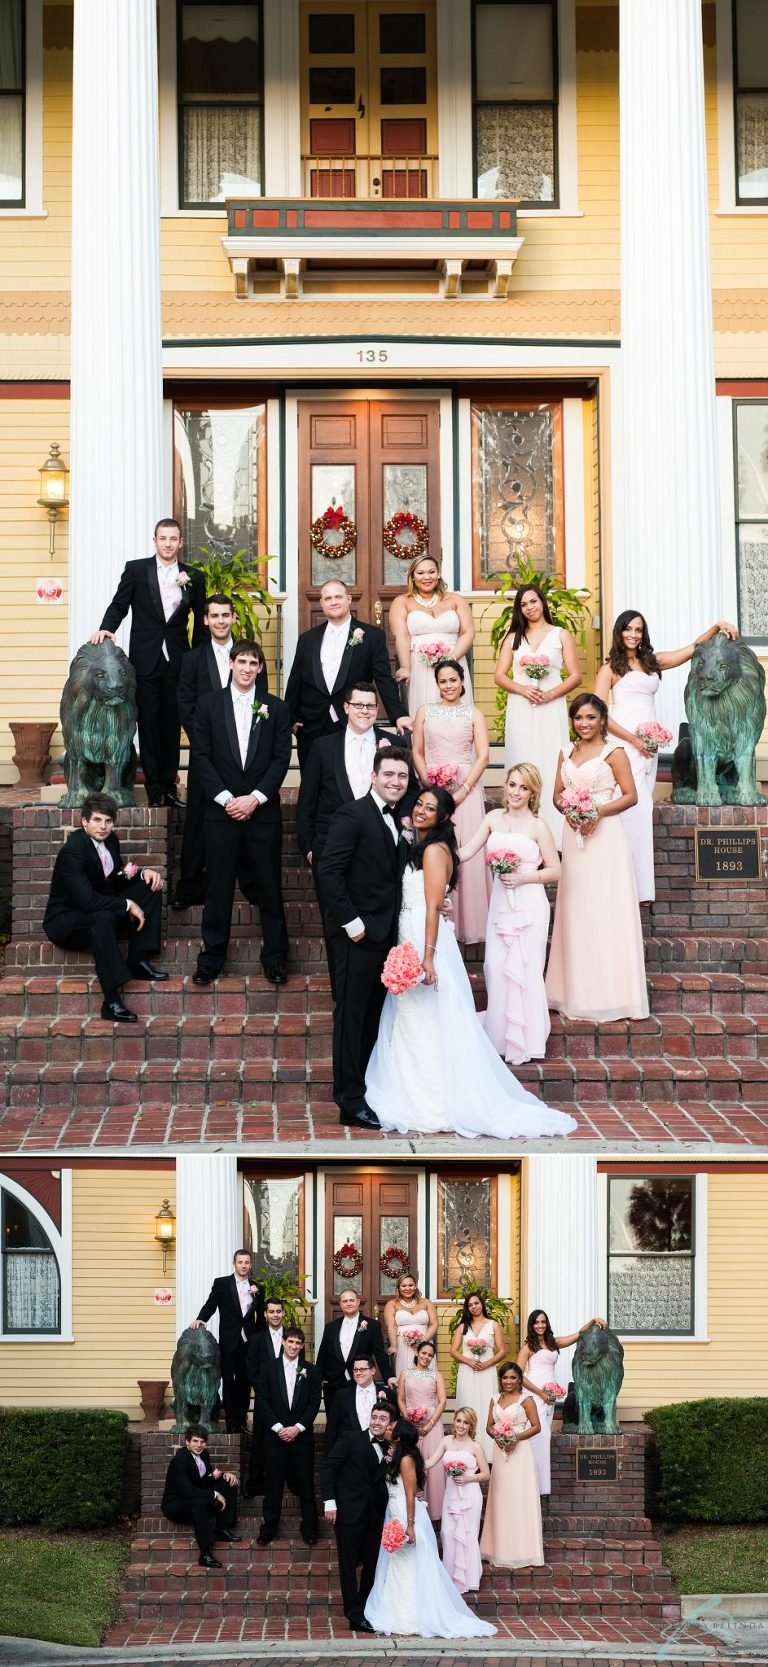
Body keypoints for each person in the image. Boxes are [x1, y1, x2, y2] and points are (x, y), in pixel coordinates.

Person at [364, 788, 578, 1139]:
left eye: (430, 808)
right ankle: (414, 1088)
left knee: (426, 1014)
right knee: (415, 1015)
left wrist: (427, 957)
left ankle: (432, 1099)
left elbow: (432, 906)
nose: (420, 810)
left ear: (442, 817)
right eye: (419, 804)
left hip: (423, 936)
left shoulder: (433, 851)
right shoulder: (426, 846)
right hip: (412, 931)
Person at [594, 611, 739, 904]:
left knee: (642, 806)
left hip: (649, 741)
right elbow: (599, 713)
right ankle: (617, 880)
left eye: (638, 630)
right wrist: (634, 739)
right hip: (624, 741)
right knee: (628, 805)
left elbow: (691, 649)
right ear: (618, 632)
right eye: (628, 629)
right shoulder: (609, 669)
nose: (633, 634)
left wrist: (715, 627)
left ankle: (638, 885)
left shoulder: (652, 662)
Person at [297, 683, 415, 995]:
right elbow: (307, 799)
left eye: (370, 706)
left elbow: (409, 792)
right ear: (346, 707)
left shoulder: (394, 743)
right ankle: (343, 997)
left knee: (380, 931)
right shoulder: (323, 747)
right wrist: (309, 847)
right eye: (358, 705)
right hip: (332, 854)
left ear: (377, 711)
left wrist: (403, 827)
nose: (365, 711)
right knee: (337, 928)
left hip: (380, 856)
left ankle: (378, 998)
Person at [318, 747, 412, 1128]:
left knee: (373, 1016)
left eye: (402, 777)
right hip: (356, 936)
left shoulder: (401, 820)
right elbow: (328, 872)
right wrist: (351, 923)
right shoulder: (352, 814)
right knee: (352, 1018)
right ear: (374, 776)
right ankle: (349, 1100)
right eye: (389, 774)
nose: (395, 782)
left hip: (387, 937)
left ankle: (365, 1087)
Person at [190, 639, 292, 986]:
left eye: (254, 663)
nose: (247, 668)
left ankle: (276, 958)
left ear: (260, 668)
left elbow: (281, 759)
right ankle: (211, 958)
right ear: (231, 664)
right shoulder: (207, 706)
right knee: (218, 888)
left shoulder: (275, 709)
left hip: (262, 813)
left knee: (269, 886)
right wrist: (226, 799)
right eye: (242, 661)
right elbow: (200, 757)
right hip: (220, 813)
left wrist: (256, 798)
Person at [545, 693, 649, 1023]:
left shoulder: (613, 752)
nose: (584, 724)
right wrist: (571, 811)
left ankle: (614, 994)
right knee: (576, 909)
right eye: (578, 718)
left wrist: (594, 811)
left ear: (602, 719)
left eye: (591, 717)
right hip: (574, 839)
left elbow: (631, 796)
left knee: (605, 909)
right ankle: (571, 991)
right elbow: (556, 795)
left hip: (605, 838)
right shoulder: (566, 751)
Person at [90, 517, 206, 806]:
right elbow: (120, 604)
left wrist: (199, 656)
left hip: (178, 660)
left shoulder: (194, 576)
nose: (168, 544)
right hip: (146, 659)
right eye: (163, 538)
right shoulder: (136, 570)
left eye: (173, 539)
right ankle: (155, 790)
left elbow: (202, 619)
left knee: (172, 724)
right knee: (150, 722)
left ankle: (169, 785)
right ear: (154, 541)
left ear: (180, 542)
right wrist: (107, 628)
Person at [459, 763, 560, 1064]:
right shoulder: (492, 819)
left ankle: (525, 1042)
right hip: (502, 904)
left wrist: (523, 877)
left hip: (529, 904)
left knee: (526, 970)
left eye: (523, 787)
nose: (515, 792)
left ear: (532, 793)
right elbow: (465, 852)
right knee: (495, 965)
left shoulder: (538, 825)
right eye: (512, 784)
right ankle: (500, 1039)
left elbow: (556, 870)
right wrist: (434, 848)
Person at [173, 594, 268, 909]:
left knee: (245, 818)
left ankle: (251, 885)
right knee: (199, 817)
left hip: (243, 756)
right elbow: (184, 702)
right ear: (205, 620)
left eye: (225, 615)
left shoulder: (248, 656)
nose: (220, 621)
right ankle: (191, 885)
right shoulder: (192, 659)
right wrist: (204, 738)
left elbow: (261, 700)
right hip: (205, 754)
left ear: (233, 618)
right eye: (214, 616)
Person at [364, 1417, 496, 1638]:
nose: (386, 1429)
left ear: (398, 1437)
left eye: (391, 1428)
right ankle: (397, 1610)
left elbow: (408, 1494)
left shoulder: (405, 1459)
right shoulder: (396, 1454)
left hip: (406, 1513)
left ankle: (414, 1615)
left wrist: (410, 1525)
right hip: (395, 1511)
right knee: (399, 1562)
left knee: (410, 1562)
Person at [43, 791, 167, 1024]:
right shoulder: (73, 852)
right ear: (84, 822)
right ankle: (111, 1001)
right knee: (102, 919)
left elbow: (115, 879)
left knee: (150, 887)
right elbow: (88, 901)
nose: (103, 826)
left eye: (108, 821)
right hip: (66, 921)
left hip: (97, 909)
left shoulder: (111, 840)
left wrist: (142, 873)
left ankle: (138, 960)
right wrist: (127, 904)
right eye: (97, 820)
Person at [285, 577, 407, 771]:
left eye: (338, 597)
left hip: (351, 719)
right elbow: (296, 679)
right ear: (322, 603)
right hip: (311, 723)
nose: (333, 602)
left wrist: (398, 715)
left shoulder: (372, 637)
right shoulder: (307, 639)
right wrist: (289, 717)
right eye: (328, 598)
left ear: (349, 599)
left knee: (350, 777)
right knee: (312, 780)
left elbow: (383, 678)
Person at [494, 583, 582, 847]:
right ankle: (520, 833)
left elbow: (576, 676)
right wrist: (522, 689)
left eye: (533, 601)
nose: (529, 607)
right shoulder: (513, 638)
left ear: (542, 602)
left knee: (550, 759)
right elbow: (499, 676)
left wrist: (551, 694)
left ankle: (554, 836)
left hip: (550, 707)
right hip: (521, 707)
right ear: (519, 610)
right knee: (523, 758)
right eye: (523, 604)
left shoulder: (560, 635)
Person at [412, 658, 489, 943]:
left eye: (453, 680)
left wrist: (463, 789)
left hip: (465, 792)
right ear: (437, 684)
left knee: (463, 849)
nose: (448, 685)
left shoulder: (473, 713)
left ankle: (465, 923)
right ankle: (434, 916)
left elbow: (483, 756)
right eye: (443, 681)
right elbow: (418, 751)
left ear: (462, 682)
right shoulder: (425, 711)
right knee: (435, 850)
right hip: (434, 790)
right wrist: (429, 786)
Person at [322, 1402, 397, 1633]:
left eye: (382, 1419)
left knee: (371, 1565)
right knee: (347, 1567)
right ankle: (354, 1615)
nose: (377, 1422)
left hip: (375, 1515)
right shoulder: (350, 1439)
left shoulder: (390, 1449)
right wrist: (330, 1502)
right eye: (374, 1417)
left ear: (390, 1424)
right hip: (348, 1513)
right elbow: (328, 1469)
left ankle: (365, 1608)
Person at [517, 1309, 606, 1494]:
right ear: (531, 1325)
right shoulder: (528, 1347)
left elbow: (577, 1336)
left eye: (543, 1322)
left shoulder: (553, 1343)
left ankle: (540, 1485)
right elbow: (518, 1376)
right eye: (536, 1322)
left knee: (544, 1436)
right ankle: (527, 1481)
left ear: (546, 1324)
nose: (540, 1325)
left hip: (549, 1395)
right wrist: (540, 1393)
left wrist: (592, 1321)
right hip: (534, 1393)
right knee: (536, 1434)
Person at [256, 1326, 321, 1546]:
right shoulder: (267, 1369)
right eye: (290, 1342)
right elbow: (262, 1401)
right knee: (273, 1484)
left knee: (305, 1483)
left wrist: (298, 1427)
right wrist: (278, 1427)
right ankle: (269, 1527)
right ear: (283, 1342)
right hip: (275, 1437)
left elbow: (314, 1403)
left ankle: (310, 1528)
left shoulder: (311, 1371)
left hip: (301, 1438)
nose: (293, 1346)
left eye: (298, 1343)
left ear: (302, 1346)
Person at [389, 554, 475, 718]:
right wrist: (406, 667)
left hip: (454, 660)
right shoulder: (402, 602)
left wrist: (451, 659)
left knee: (456, 713)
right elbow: (402, 636)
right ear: (412, 577)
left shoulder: (456, 599)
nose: (426, 577)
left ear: (438, 574)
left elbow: (468, 632)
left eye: (431, 572)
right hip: (421, 665)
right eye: (420, 573)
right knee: (426, 712)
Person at [190, 1250, 265, 1433]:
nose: (244, 1265)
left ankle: (241, 1420)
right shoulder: (222, 1283)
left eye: (247, 1262)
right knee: (229, 1380)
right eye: (240, 1262)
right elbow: (211, 1304)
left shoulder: (257, 1287)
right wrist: (201, 1319)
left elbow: (261, 1316)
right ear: (234, 1263)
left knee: (245, 1381)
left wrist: (261, 1338)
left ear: (250, 1265)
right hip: (229, 1339)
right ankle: (231, 1421)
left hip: (249, 1341)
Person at [480, 1362, 543, 1568]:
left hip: (520, 1454)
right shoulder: (494, 1399)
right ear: (500, 1379)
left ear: (519, 1380)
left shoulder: (527, 1400)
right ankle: (496, 1548)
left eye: (513, 1378)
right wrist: (497, 1436)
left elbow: (536, 1427)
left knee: (518, 1498)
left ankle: (523, 1551)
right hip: (500, 1452)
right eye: (505, 1378)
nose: (508, 1381)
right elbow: (489, 1425)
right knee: (500, 1498)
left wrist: (515, 1437)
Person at [423, 1406, 490, 1593]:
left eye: (465, 1422)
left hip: (470, 1495)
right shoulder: (446, 1441)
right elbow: (430, 1462)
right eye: (458, 1420)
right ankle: (451, 1579)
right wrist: (412, 1461)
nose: (461, 1425)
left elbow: (486, 1474)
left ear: (471, 1425)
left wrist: (468, 1478)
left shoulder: (475, 1446)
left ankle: (468, 1580)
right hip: (451, 1494)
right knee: (447, 1532)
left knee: (467, 1535)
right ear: (454, 1421)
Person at [161, 1425, 240, 1568]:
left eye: (202, 1442)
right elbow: (188, 1492)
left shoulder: (204, 1454)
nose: (199, 1445)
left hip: (196, 1497)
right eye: (195, 1441)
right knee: (198, 1503)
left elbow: (207, 1477)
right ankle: (205, 1554)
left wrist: (224, 1475)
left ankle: (222, 1529)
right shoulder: (179, 1461)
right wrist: (215, 1494)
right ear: (187, 1442)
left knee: (230, 1484)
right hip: (176, 1504)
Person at [243, 1296, 292, 1498]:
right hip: (264, 1399)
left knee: (286, 1441)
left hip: (287, 1399)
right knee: (260, 1442)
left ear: (283, 1313)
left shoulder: (292, 1338)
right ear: (265, 1314)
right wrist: (263, 1391)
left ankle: (289, 1483)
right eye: (271, 1312)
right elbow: (251, 1367)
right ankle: (255, 1484)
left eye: (278, 1311)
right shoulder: (256, 1339)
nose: (275, 1315)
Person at [450, 1293, 507, 1463]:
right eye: (470, 1305)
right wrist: (468, 1361)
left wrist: (487, 1364)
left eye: (476, 1303)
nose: (474, 1307)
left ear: (482, 1304)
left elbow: (502, 1350)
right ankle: (466, 1451)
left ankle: (488, 1453)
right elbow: (453, 1351)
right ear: (467, 1308)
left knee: (486, 1405)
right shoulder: (462, 1327)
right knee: (468, 1404)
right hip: (467, 1371)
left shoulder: (493, 1325)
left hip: (486, 1372)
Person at [315, 1287, 393, 1407]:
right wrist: (319, 1377)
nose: (348, 1303)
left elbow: (379, 1353)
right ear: (340, 1304)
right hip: (333, 1381)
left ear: (358, 1302)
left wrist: (389, 1376)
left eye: (351, 1300)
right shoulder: (331, 1327)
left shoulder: (372, 1326)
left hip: (359, 1379)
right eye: (345, 1301)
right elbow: (323, 1353)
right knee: (333, 1420)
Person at [396, 1337, 447, 1521]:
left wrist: (431, 1423)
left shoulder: (436, 1375)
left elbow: (442, 1401)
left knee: (431, 1465)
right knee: (411, 1462)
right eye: (424, 1353)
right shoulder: (405, 1374)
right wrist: (407, 1419)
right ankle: (411, 1506)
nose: (426, 1357)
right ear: (417, 1352)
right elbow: (401, 1399)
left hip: (432, 1424)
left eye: (430, 1355)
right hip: (410, 1425)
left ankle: (433, 1509)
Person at [325, 1354, 396, 1449]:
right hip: (350, 1452)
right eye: (355, 1370)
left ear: (373, 1371)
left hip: (382, 1449)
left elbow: (395, 1423)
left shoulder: (389, 1394)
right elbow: (331, 1429)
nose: (358, 1373)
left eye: (362, 1369)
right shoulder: (341, 1396)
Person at [382, 1273, 438, 1379]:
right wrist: (394, 1346)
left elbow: (434, 1324)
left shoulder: (426, 1303)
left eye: (411, 1285)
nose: (407, 1288)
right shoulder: (392, 1304)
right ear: (398, 1288)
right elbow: (392, 1326)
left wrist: (423, 1341)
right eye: (404, 1286)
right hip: (403, 1345)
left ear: (415, 1286)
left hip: (425, 1343)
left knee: (426, 1377)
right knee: (405, 1376)